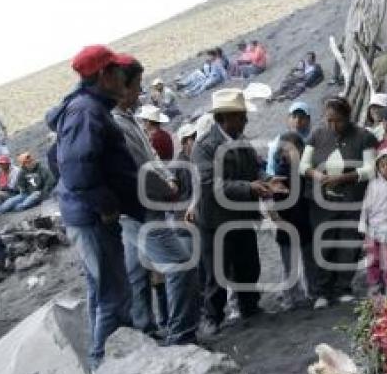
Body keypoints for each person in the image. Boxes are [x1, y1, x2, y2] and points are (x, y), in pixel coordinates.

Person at [45, 44, 142, 370]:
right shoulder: (86, 111)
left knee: (101, 290)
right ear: (104, 75)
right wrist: (107, 206)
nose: (121, 78)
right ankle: (108, 366)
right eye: (116, 72)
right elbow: (76, 171)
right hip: (93, 217)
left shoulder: (84, 107)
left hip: (85, 214)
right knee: (114, 295)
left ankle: (100, 361)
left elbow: (64, 164)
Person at [111, 59, 199, 345]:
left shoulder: (129, 119)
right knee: (180, 263)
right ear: (121, 88)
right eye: (136, 87)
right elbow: (140, 168)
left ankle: (148, 327)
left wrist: (166, 180)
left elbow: (152, 158)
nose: (140, 94)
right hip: (143, 208)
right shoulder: (118, 123)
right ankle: (181, 335)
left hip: (134, 209)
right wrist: (167, 187)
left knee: (138, 272)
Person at [190, 88, 286, 335]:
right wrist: (250, 188)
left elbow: (257, 167)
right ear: (226, 117)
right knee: (216, 274)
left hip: (242, 215)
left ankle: (249, 306)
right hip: (215, 221)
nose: (245, 120)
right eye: (241, 116)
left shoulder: (242, 141)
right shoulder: (204, 147)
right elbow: (211, 184)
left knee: (248, 265)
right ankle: (213, 317)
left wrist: (267, 179)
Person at [300, 96, 377, 309]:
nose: (333, 125)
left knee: (348, 243)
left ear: (348, 117)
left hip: (351, 200)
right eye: (329, 120)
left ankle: (343, 287)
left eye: (338, 120)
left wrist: (344, 178)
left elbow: (371, 169)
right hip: (321, 201)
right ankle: (322, 291)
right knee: (324, 243)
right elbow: (303, 165)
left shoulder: (364, 137)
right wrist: (316, 175)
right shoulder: (317, 134)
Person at [271, 131, 312, 310]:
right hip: (286, 225)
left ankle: (307, 293)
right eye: (286, 150)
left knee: (308, 261)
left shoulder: (305, 171)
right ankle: (290, 297)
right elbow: (274, 202)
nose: (290, 154)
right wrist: (277, 219)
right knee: (290, 265)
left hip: (303, 223)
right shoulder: (280, 173)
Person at [359, 147, 387, 296]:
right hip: (373, 229)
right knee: (373, 259)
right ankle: (375, 284)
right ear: (378, 168)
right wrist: (363, 226)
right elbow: (366, 206)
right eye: (383, 165)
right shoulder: (373, 185)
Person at [266, 101, 312, 177]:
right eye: (294, 117)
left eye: (302, 117)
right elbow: (271, 170)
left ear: (308, 120)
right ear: (288, 119)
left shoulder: (314, 140)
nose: (297, 121)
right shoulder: (277, 142)